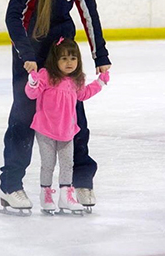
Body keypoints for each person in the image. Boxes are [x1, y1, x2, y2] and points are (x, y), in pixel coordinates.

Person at [0, 0, 111, 212]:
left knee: (74, 116)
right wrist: (26, 55)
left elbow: (89, 13)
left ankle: (81, 179)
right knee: (23, 118)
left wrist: (100, 54)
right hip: (32, 57)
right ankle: (11, 185)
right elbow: (13, 17)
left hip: (63, 55)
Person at [25, 38, 109, 213]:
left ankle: (65, 196)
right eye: (63, 58)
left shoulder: (76, 80)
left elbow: (83, 94)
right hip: (46, 129)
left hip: (67, 130)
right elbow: (32, 94)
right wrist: (32, 81)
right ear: (55, 60)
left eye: (73, 58)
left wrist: (100, 82)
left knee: (67, 164)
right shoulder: (46, 75)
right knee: (48, 164)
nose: (69, 62)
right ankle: (46, 193)